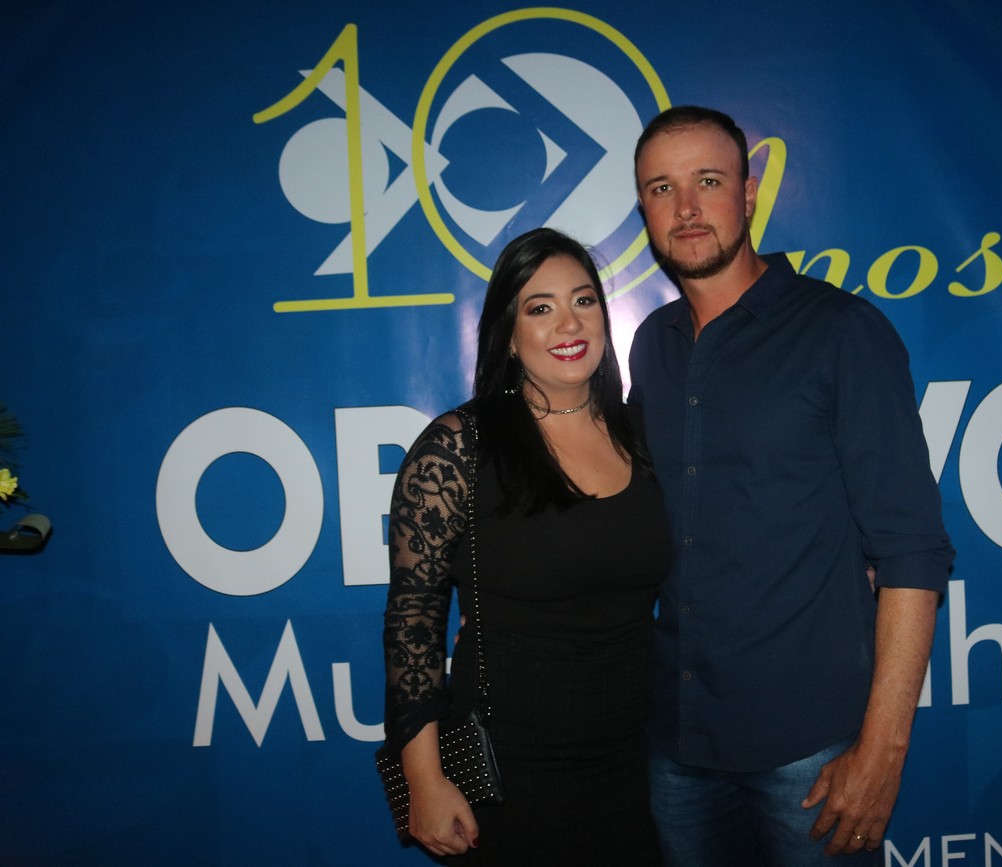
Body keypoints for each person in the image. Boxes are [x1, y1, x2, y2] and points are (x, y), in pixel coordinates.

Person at [628, 106, 955, 865]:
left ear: (748, 194)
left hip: (808, 754)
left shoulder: (842, 331)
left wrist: (883, 751)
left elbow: (911, 550)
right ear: (643, 209)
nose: (686, 207)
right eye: (661, 188)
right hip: (675, 744)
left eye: (708, 181)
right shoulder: (651, 347)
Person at [382, 228, 668, 865]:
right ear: (508, 334)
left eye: (584, 300)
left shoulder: (644, 436)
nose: (569, 323)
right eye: (540, 308)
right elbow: (413, 619)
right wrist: (424, 779)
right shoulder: (458, 447)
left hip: (638, 764)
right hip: (507, 772)